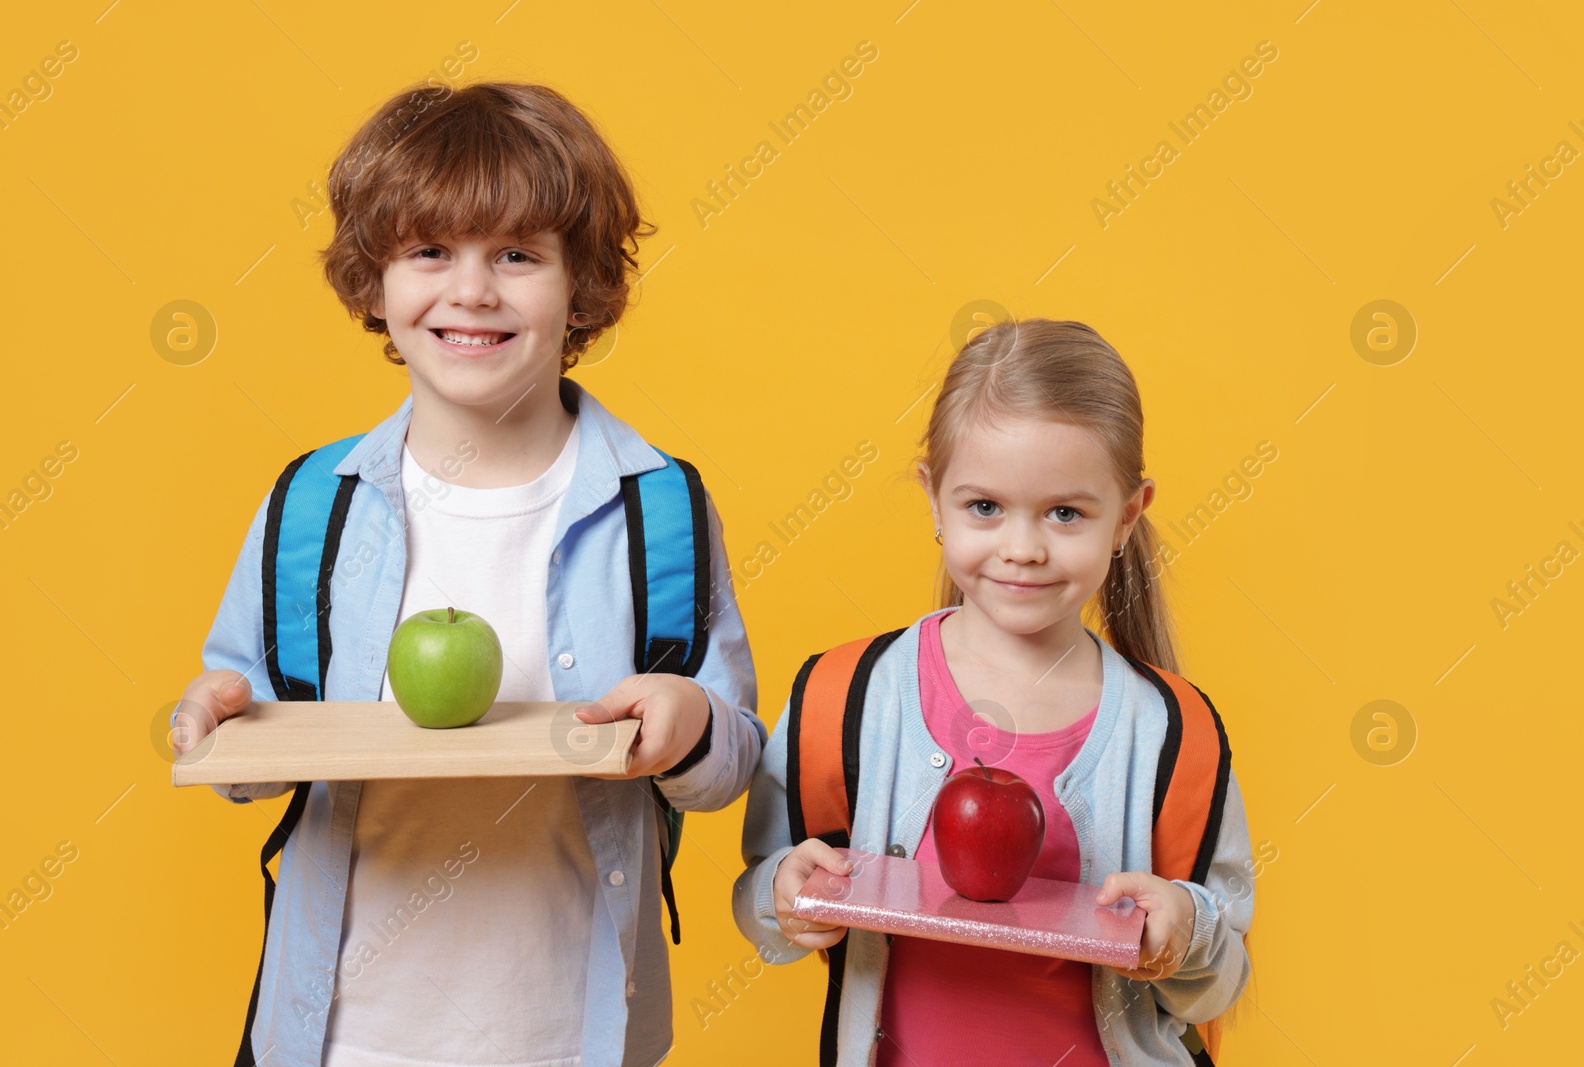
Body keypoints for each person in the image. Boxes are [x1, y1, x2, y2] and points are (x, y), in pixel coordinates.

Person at [171, 81, 763, 1067]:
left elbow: (732, 753)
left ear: (583, 285)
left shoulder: (657, 507)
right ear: (375, 282)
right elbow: (250, 716)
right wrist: (222, 718)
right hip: (341, 1029)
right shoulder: (313, 507)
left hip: (572, 1029)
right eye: (429, 251)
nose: (473, 291)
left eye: (518, 255)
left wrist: (694, 720)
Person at [732, 319, 1253, 1065]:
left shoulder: (1176, 735)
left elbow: (1220, 981)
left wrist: (1186, 930)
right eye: (985, 507)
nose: (1023, 547)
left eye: (1065, 513)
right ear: (933, 499)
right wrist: (785, 896)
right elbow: (764, 899)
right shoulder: (844, 698)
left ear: (1127, 516)